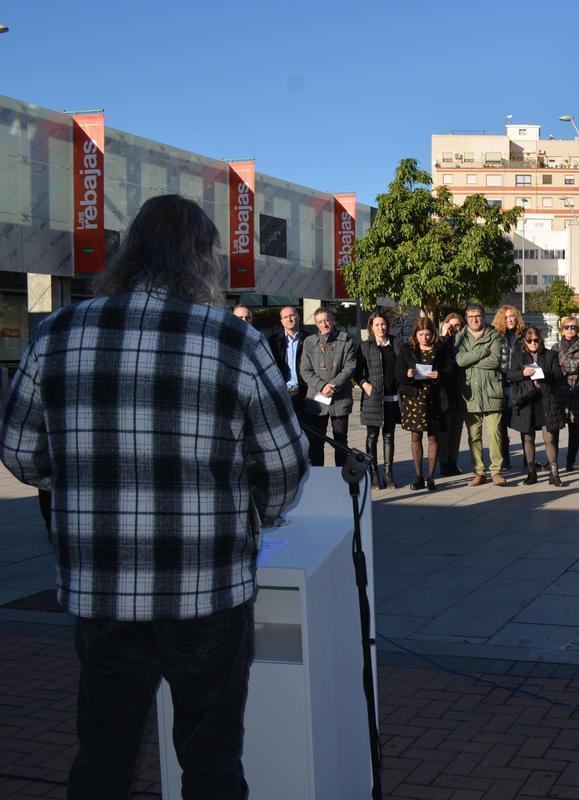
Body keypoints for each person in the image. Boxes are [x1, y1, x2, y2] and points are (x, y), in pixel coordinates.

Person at [0, 194, 308, 798]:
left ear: (129, 251)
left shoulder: (57, 332)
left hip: (100, 587)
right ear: (203, 260)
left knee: (103, 755)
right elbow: (283, 465)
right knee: (212, 760)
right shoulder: (233, 341)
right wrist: (260, 514)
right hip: (209, 587)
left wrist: (81, 481)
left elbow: (18, 451)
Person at [506, 325, 566, 486]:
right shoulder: (518, 355)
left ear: (541, 340)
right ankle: (531, 473)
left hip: (545, 400)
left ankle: (554, 473)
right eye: (529, 341)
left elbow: (559, 376)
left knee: (550, 438)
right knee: (528, 437)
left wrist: (543, 374)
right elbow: (509, 375)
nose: (533, 344)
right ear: (525, 341)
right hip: (527, 400)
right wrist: (523, 373)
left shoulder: (550, 354)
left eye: (536, 340)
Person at [300, 306, 358, 467]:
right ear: (316, 324)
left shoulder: (347, 341)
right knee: (316, 441)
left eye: (326, 320)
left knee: (340, 440)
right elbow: (305, 370)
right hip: (317, 399)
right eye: (320, 322)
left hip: (339, 398)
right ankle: (319, 476)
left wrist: (332, 385)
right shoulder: (309, 342)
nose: (324, 324)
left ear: (332, 320)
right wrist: (321, 385)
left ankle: (341, 477)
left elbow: (350, 367)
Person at [457, 303, 506, 486]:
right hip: (471, 393)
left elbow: (495, 361)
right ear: (466, 319)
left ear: (484, 317)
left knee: (495, 432)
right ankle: (479, 471)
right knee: (474, 435)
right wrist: (481, 352)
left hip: (492, 391)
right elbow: (460, 361)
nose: (474, 320)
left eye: (477, 316)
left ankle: (496, 471)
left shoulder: (494, 335)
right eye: (470, 317)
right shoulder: (460, 338)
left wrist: (471, 358)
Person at [399, 317, 449, 491]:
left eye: (428, 334)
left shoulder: (440, 349)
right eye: (421, 334)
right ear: (415, 334)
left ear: (432, 334)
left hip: (434, 398)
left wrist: (440, 374)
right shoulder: (407, 349)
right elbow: (398, 374)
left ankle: (431, 477)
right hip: (414, 399)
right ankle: (418, 476)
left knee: (433, 437)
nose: (424, 338)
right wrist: (408, 374)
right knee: (416, 437)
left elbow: (450, 370)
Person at [356, 311, 403, 489]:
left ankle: (389, 475)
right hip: (372, 399)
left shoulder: (396, 344)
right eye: (376, 325)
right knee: (372, 436)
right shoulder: (365, 346)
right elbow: (356, 371)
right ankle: (374, 474)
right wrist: (363, 384)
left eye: (383, 324)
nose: (380, 328)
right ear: (371, 327)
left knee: (389, 436)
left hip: (392, 398)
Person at [553, 315, 579, 471]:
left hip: (577, 392)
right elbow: (553, 367)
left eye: (573, 327)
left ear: (578, 330)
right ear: (562, 329)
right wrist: (572, 364)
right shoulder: (555, 347)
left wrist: (563, 365)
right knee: (554, 427)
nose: (570, 330)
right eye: (567, 327)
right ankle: (552, 460)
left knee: (574, 429)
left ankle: (570, 461)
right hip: (559, 391)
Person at [494, 304, 525, 470]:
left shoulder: (524, 335)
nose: (510, 319)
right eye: (506, 317)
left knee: (524, 424)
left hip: (521, 384)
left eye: (512, 316)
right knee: (502, 426)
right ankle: (505, 460)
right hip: (503, 386)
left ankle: (529, 459)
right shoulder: (496, 337)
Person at [270, 305, 308, 429]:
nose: (289, 319)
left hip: (304, 392)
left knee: (305, 431)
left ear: (298, 317)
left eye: (292, 315)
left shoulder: (310, 339)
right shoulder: (273, 341)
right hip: (282, 392)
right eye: (285, 317)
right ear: (281, 321)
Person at [438, 313, 466, 477]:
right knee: (445, 431)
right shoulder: (441, 343)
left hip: (460, 392)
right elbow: (436, 357)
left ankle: (453, 462)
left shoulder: (464, 342)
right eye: (451, 325)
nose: (454, 329)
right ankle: (444, 464)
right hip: (445, 393)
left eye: (458, 326)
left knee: (457, 430)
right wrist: (443, 335)